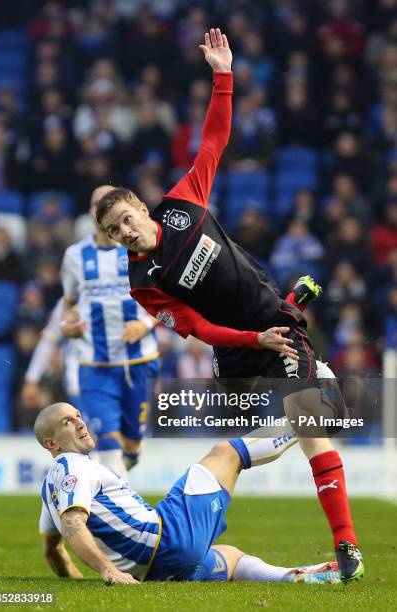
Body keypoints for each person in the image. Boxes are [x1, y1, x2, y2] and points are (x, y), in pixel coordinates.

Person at [95, 29, 364, 582]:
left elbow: (214, 141)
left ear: (143, 208)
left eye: (126, 219)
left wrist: (223, 75)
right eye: (114, 231)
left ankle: (347, 549)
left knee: (306, 421)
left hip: (273, 324)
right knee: (246, 442)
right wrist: (252, 341)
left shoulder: (181, 206)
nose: (126, 232)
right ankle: (316, 381)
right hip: (236, 350)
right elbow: (198, 326)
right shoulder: (142, 281)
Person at [35, 402, 340, 585]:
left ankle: (295, 575)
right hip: (167, 538)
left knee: (230, 557)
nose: (80, 422)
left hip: (160, 569)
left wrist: (76, 584)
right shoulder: (72, 466)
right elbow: (74, 525)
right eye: (67, 422)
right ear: (52, 444)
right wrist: (108, 571)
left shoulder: (51, 486)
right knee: (225, 454)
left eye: (77, 415)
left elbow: (53, 551)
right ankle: (313, 413)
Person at [60, 186, 159, 477]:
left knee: (131, 448)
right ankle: (121, 516)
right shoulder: (75, 256)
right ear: (91, 213)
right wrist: (70, 326)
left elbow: (169, 299)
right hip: (95, 364)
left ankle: (123, 470)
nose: (100, 208)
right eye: (95, 204)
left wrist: (145, 324)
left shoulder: (138, 247)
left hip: (140, 362)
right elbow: (69, 305)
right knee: (107, 443)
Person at [21, 297, 81, 412]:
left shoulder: (121, 292)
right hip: (78, 384)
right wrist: (31, 380)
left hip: (118, 374)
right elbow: (49, 339)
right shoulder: (68, 301)